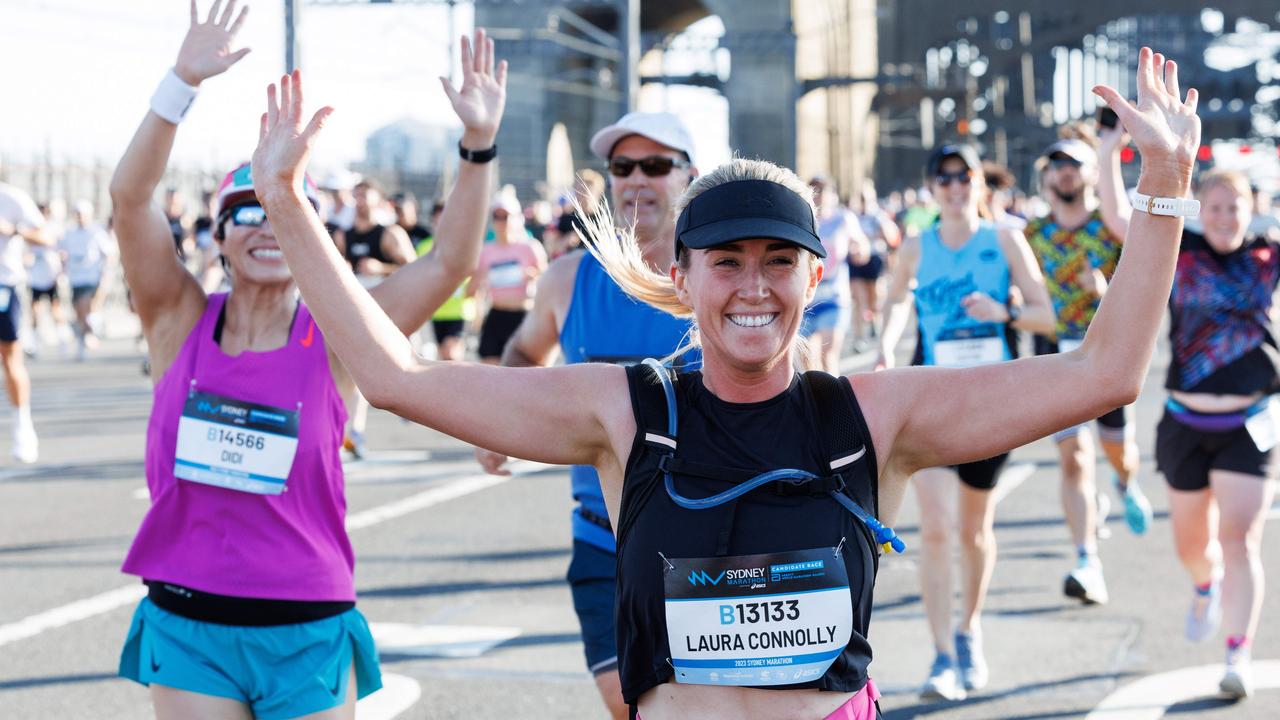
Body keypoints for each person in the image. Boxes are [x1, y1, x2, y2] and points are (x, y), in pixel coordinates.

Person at [255, 47, 1200, 719]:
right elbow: (390, 375)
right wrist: (287, 201)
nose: (754, 287)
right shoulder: (624, 409)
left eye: (779, 262)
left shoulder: (873, 415)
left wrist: (1164, 183)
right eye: (727, 261)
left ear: (815, 279)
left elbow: (1106, 371)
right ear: (683, 278)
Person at [110, 6, 506, 717]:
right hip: (188, 619)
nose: (265, 225)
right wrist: (181, 81)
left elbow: (450, 261)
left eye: (281, 209)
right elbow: (130, 197)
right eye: (247, 210)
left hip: (306, 621)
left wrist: (477, 144)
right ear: (220, 236)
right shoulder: (175, 319)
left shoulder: (340, 338)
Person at [474, 110, 700, 719]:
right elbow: (524, 349)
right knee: (629, 706)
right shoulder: (568, 279)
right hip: (603, 539)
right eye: (622, 167)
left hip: (706, 545)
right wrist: (501, 415)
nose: (636, 181)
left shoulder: (716, 279)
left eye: (656, 166)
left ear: (690, 177)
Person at [876, 142, 1057, 701]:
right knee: (933, 528)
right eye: (944, 179)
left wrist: (1002, 311)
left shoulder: (1004, 239)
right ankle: (941, 654)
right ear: (931, 189)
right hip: (931, 397)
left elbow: (1045, 313)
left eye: (964, 177)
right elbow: (897, 302)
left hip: (990, 402)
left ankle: (968, 629)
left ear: (980, 184)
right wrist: (885, 343)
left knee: (975, 530)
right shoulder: (914, 246)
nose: (954, 188)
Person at [1159, 168, 1277, 699]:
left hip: (1249, 423)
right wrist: (1114, 150)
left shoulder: (1270, 257)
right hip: (1184, 420)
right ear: (1199, 209)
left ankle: (1238, 651)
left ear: (1254, 208)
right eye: (1216, 207)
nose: (1226, 217)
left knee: (1240, 539)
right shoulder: (1177, 250)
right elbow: (1119, 221)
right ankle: (1204, 587)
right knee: (1192, 546)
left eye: (1236, 207)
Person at [1025, 128, 1155, 607]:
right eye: (1056, 162)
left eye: (1073, 163)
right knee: (1074, 458)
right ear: (1047, 175)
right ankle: (1086, 559)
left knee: (1118, 452)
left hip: (1110, 354)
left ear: (1090, 173)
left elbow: (1144, 283)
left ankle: (1124, 481)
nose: (1064, 170)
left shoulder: (1109, 226)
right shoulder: (1032, 233)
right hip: (1056, 358)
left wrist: (1107, 292)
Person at [0, 175, 48, 464]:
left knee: (9, 359)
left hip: (5, 285)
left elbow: (45, 237)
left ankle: (23, 426)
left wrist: (13, 230)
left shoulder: (12, 198)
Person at [469, 191, 547, 363]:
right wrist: (477, 312)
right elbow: (471, 290)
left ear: (517, 218)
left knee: (524, 373)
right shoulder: (486, 251)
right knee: (490, 372)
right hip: (496, 314)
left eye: (506, 216)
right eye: (497, 216)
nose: (501, 221)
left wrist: (534, 276)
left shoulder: (530, 248)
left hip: (523, 316)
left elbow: (549, 281)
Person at [801, 176, 859, 373]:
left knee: (828, 356)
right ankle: (814, 401)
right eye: (815, 191)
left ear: (833, 195)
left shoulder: (843, 219)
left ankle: (833, 401)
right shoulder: (802, 220)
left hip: (835, 297)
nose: (819, 196)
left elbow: (861, 244)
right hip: (807, 301)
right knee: (807, 362)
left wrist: (860, 249)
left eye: (824, 191)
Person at [413, 201, 474, 361]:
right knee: (443, 358)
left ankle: (461, 384)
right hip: (436, 312)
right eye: (439, 221)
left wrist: (478, 304)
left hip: (459, 311)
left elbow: (476, 276)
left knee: (452, 354)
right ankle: (457, 386)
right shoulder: (424, 247)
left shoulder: (466, 245)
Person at [59, 201, 117, 359]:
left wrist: (106, 273)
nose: (80, 218)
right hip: (75, 278)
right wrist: (63, 268)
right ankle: (84, 338)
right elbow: (62, 252)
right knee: (78, 313)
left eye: (83, 214)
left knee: (86, 308)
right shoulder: (69, 233)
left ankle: (89, 334)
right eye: (77, 214)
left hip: (91, 277)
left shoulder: (96, 232)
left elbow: (110, 254)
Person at [28, 203, 71, 357]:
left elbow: (63, 251)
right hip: (36, 277)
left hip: (52, 276)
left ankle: (63, 341)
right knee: (35, 311)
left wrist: (63, 272)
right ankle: (34, 345)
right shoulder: (30, 228)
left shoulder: (55, 229)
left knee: (55, 310)